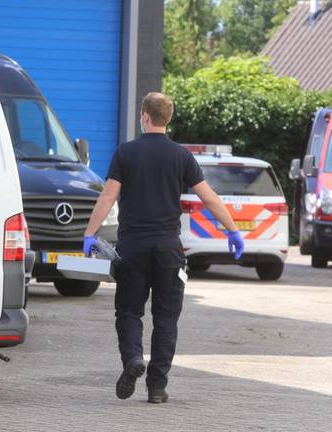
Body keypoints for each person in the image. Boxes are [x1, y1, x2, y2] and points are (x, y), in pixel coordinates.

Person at [83, 92, 245, 404]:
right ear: (167, 119)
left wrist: (91, 233)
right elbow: (209, 197)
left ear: (144, 116)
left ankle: (132, 359)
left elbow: (108, 196)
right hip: (170, 250)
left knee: (129, 311)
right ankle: (157, 388)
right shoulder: (181, 156)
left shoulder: (126, 153)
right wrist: (233, 230)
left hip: (133, 248)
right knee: (166, 319)